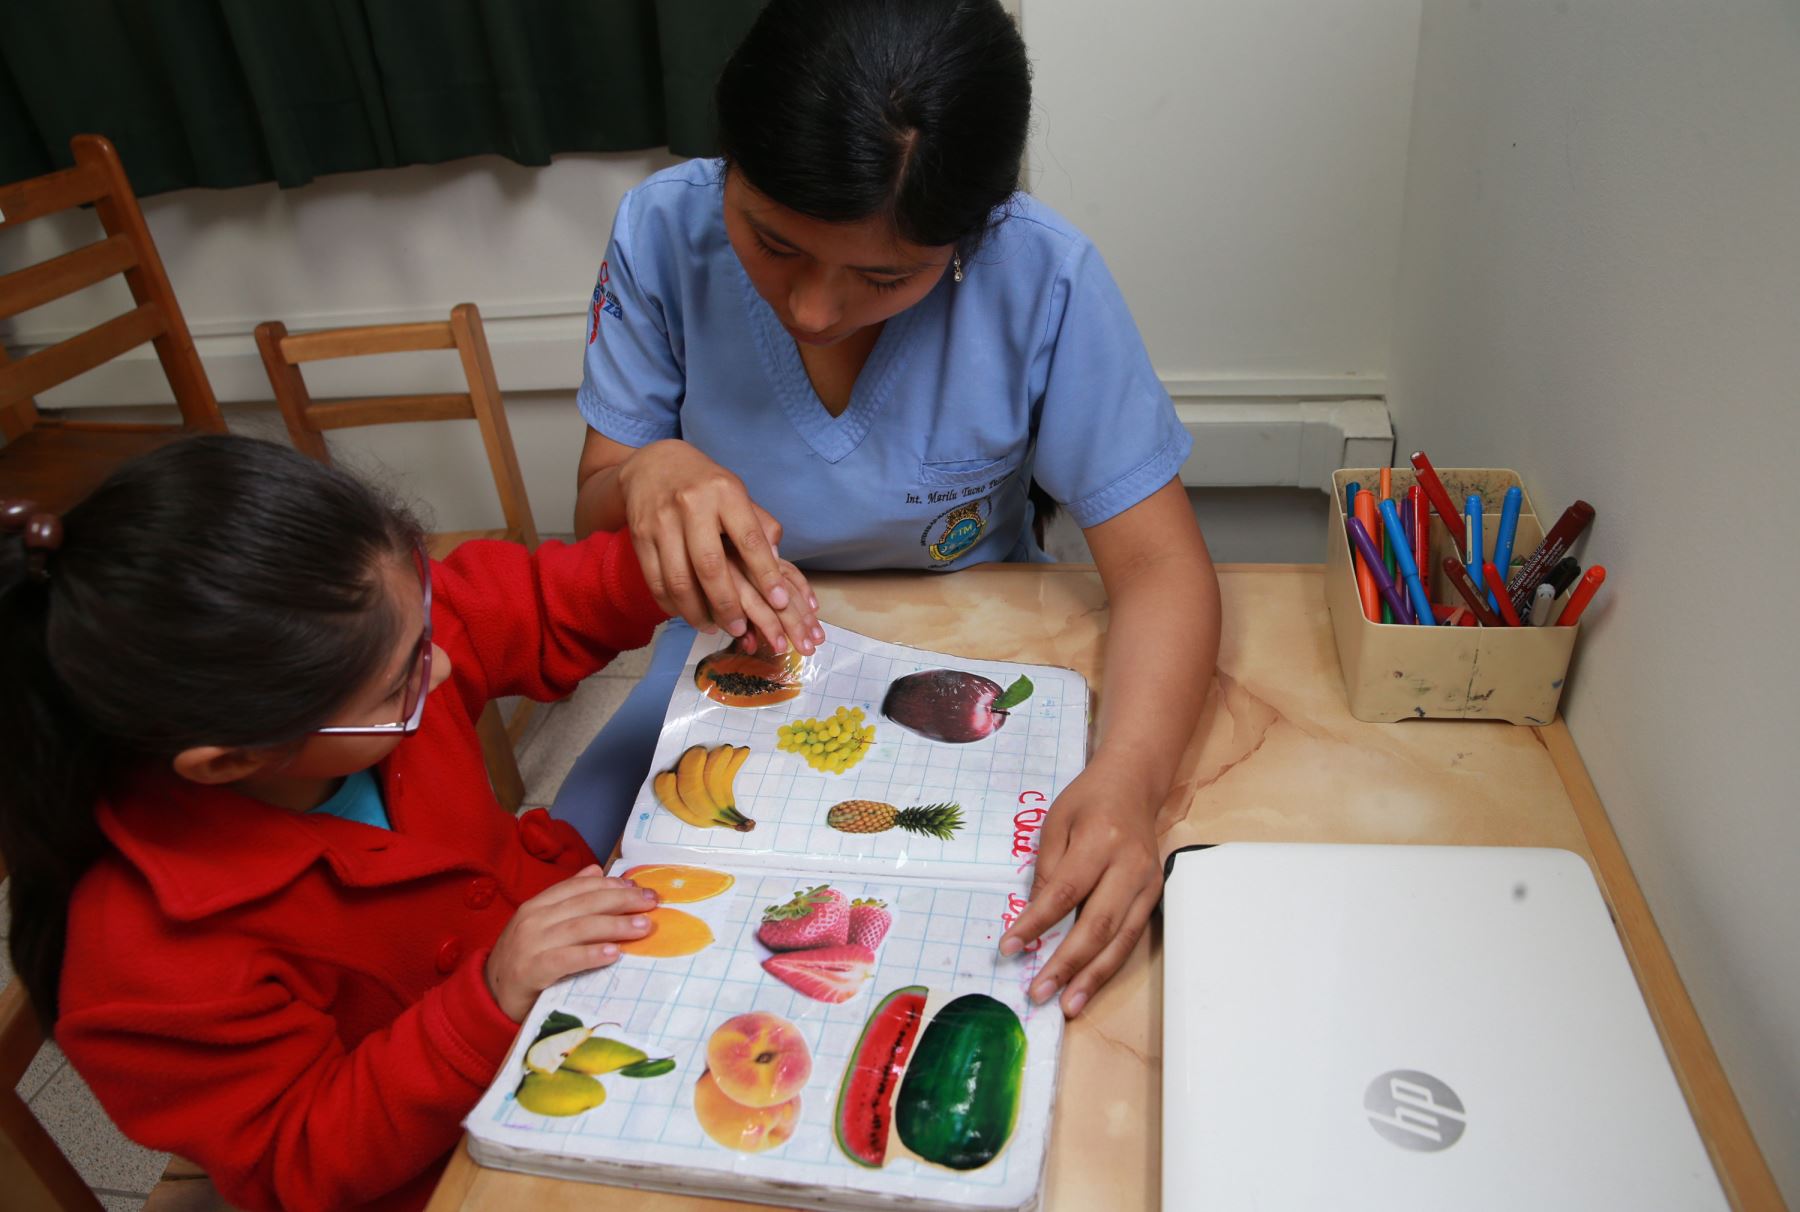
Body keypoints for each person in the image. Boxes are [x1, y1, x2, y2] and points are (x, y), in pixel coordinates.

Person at [562, 0, 1221, 1019]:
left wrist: (1131, 780)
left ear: (971, 237)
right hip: (727, 662)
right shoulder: (662, 230)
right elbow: (596, 523)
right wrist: (643, 475)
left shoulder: (1042, 274)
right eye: (771, 242)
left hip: (972, 655)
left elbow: (1162, 570)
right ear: (726, 165)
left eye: (884, 276)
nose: (814, 310)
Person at [0, 436, 680, 1212]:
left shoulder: (368, 637)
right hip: (443, 1160)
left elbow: (524, 603)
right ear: (228, 762)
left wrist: (669, 568)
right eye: (401, 687)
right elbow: (298, 1161)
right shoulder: (147, 957)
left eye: (422, 623)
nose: (447, 669)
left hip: (577, 976)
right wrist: (487, 998)